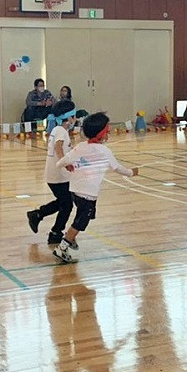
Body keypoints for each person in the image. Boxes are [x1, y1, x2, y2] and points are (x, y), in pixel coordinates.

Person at [53, 112, 139, 263]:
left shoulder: (80, 147)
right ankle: (63, 246)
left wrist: (67, 165)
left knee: (82, 217)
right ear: (101, 133)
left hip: (75, 191)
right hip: (88, 194)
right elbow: (118, 168)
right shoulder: (104, 151)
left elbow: (60, 163)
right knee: (81, 222)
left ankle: (70, 237)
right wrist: (131, 172)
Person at [27, 101, 78, 245]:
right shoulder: (60, 131)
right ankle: (55, 232)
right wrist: (64, 162)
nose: (75, 119)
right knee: (67, 205)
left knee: (63, 202)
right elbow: (58, 147)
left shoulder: (58, 130)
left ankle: (37, 215)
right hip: (57, 175)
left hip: (58, 175)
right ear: (68, 118)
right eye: (73, 116)